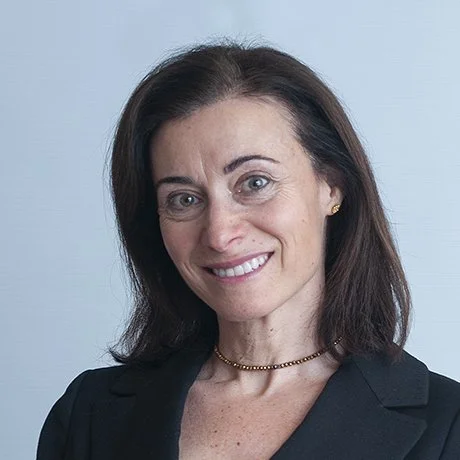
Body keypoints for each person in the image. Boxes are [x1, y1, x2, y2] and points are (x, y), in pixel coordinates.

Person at [37, 42, 460, 460]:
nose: (219, 234)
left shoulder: (448, 427)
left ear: (331, 186)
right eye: (184, 199)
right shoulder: (88, 415)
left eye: (255, 182)